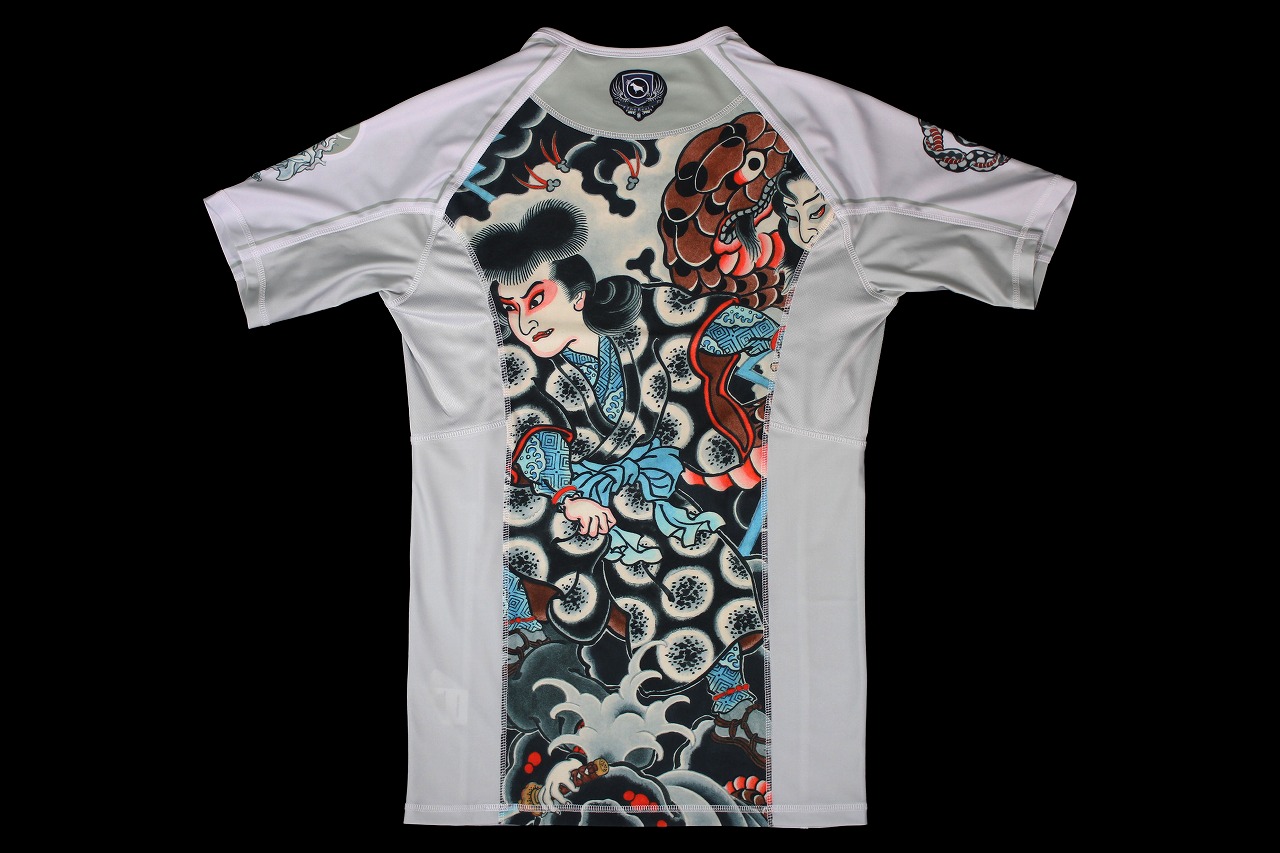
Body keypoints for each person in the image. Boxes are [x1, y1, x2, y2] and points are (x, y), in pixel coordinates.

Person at [475, 200, 779, 815]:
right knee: (519, 540)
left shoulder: (636, 315)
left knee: (711, 563)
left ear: (577, 289)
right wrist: (570, 496)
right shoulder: (519, 362)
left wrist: (768, 344)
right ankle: (522, 644)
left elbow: (707, 322)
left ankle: (730, 704)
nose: (524, 322)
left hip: (642, 491)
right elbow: (534, 433)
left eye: (535, 298)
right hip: (557, 499)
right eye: (510, 309)